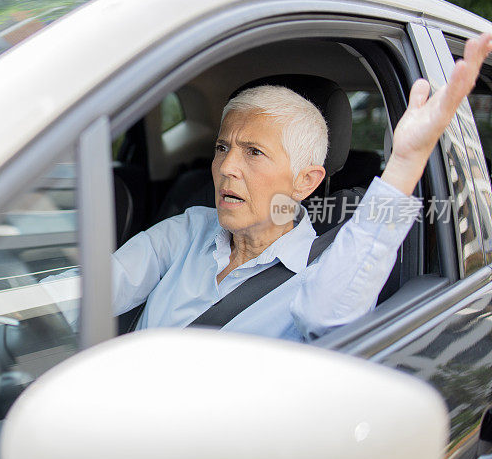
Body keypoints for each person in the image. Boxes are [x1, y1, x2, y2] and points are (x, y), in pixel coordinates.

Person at [110, 33, 492, 342]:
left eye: (254, 152)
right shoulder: (191, 228)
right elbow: (102, 286)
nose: (226, 167)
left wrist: (406, 163)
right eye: (222, 147)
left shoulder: (323, 271)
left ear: (305, 181)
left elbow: (327, 317)